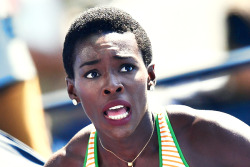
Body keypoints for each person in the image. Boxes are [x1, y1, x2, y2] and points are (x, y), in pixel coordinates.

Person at [44, 7, 250, 167]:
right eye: (93, 74)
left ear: (150, 76)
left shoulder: (210, 137)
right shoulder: (67, 163)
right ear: (72, 90)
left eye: (126, 67)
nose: (112, 85)